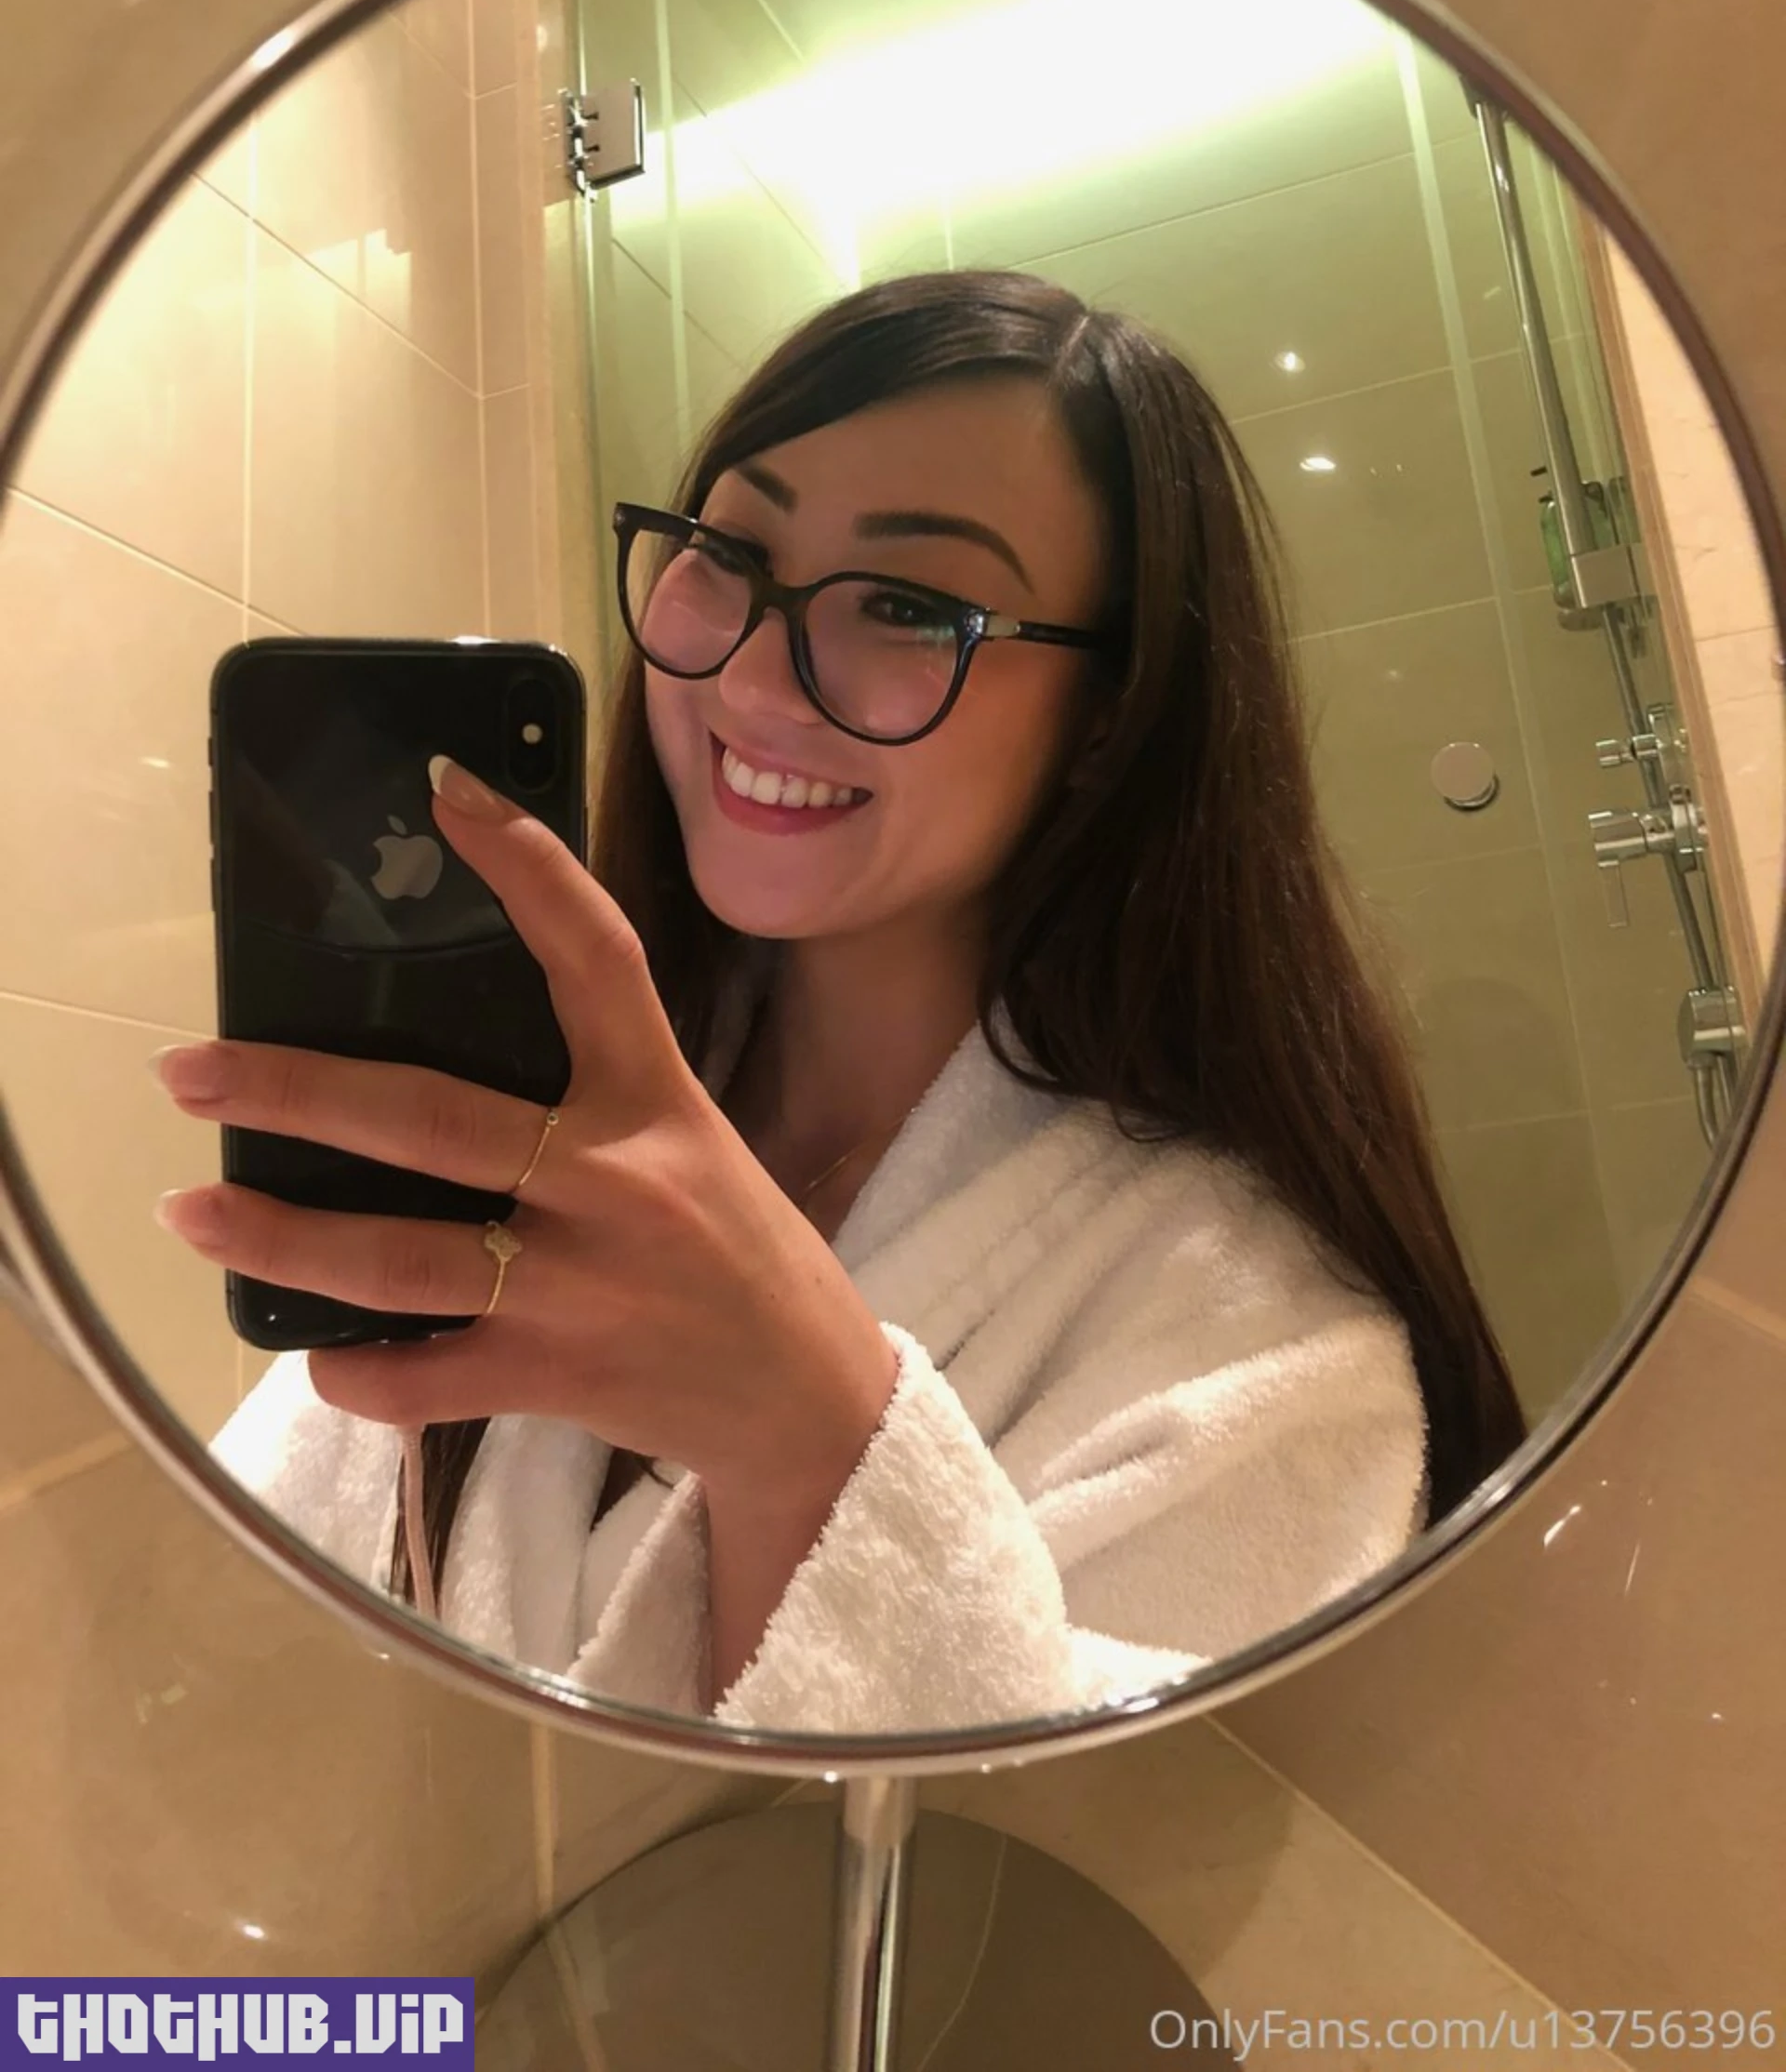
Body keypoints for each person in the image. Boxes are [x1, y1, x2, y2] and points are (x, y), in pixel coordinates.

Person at [175, 271, 1525, 1733]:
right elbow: (225, 1654)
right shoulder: (537, 1121)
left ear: (1108, 719)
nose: (756, 679)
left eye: (906, 605)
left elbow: (1134, 1849)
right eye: (727, 553)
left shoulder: (1260, 1347)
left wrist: (811, 1443)